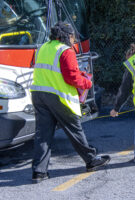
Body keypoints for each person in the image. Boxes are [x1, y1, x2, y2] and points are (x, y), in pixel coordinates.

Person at [30, 21, 110, 183]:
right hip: (57, 96)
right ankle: (91, 160)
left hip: (38, 94)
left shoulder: (43, 48)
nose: (74, 41)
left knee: (43, 135)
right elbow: (71, 77)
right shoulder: (65, 51)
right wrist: (86, 83)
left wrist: (77, 72)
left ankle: (39, 172)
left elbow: (54, 69)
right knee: (74, 128)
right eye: (73, 37)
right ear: (66, 36)